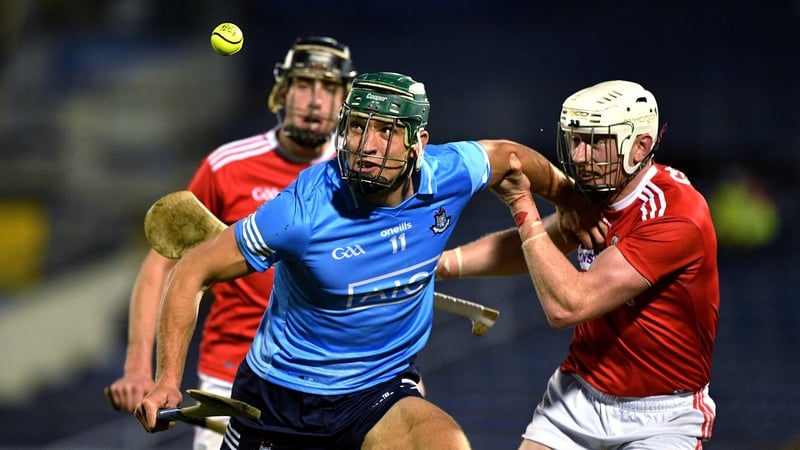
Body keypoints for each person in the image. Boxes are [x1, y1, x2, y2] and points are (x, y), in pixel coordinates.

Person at [133, 71, 598, 449]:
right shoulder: (301, 212)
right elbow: (192, 269)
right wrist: (166, 380)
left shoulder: (451, 171)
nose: (367, 145)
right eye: (357, 126)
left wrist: (566, 196)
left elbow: (510, 157)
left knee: (444, 443)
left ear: (418, 143)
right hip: (281, 401)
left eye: (387, 132)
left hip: (379, 389)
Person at [437, 80, 719, 449]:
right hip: (579, 395)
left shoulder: (674, 215)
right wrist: (439, 265)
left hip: (661, 415)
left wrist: (523, 206)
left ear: (641, 146)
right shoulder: (600, 189)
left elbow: (568, 305)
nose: (581, 157)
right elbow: (522, 247)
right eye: (576, 140)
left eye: (596, 142)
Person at [106, 36, 357, 449]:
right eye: (304, 84)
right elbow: (162, 266)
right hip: (230, 381)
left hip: (329, 383)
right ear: (282, 92)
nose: (316, 101)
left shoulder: (355, 177)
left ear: (344, 102)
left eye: (330, 89)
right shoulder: (227, 165)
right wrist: (138, 367)